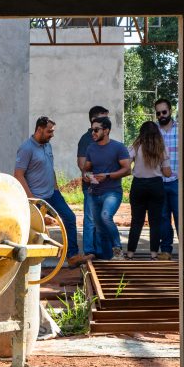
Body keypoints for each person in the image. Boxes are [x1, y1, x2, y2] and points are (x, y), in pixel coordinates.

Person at [14, 116, 88, 267]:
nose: (52, 135)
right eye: (49, 131)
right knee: (36, 229)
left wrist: (56, 188)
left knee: (69, 218)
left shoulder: (47, 146)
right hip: (37, 197)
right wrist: (32, 199)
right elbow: (18, 175)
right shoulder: (26, 148)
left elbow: (50, 169)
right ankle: (29, 262)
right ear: (39, 129)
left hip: (52, 194)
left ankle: (72, 256)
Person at [83, 116, 131, 260]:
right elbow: (86, 169)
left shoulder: (118, 147)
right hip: (94, 193)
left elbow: (127, 169)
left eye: (96, 130)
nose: (93, 133)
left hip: (112, 192)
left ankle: (117, 250)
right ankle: (105, 257)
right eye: (92, 130)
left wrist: (108, 176)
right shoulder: (91, 148)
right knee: (99, 228)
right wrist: (86, 176)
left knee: (106, 216)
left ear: (107, 130)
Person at [126, 121, 172, 260]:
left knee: (136, 221)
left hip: (138, 185)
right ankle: (153, 254)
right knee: (155, 222)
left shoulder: (136, 145)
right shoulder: (162, 148)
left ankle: (130, 253)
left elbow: (126, 163)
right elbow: (167, 172)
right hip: (156, 185)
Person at [77, 105, 109, 261]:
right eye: (104, 118)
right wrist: (95, 181)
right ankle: (89, 251)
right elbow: (82, 164)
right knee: (90, 219)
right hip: (92, 187)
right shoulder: (86, 139)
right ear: (93, 120)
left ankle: (100, 250)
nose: (108, 121)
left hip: (105, 187)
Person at [154, 98, 179, 260]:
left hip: (178, 183)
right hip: (159, 182)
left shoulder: (181, 129)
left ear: (170, 111)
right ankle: (166, 251)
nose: (161, 115)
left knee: (180, 216)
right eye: (158, 113)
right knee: (163, 218)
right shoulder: (153, 131)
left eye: (164, 112)